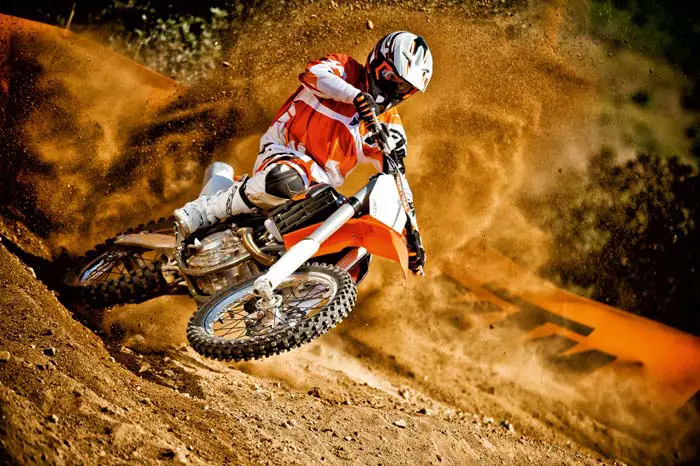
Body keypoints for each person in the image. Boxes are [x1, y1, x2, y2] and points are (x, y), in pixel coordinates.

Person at [174, 31, 432, 273]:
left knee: (355, 242)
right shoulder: (344, 69)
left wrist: (412, 235)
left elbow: (398, 178)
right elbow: (314, 74)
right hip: (283, 152)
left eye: (402, 87)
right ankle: (204, 211)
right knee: (290, 178)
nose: (393, 88)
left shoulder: (389, 125)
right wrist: (355, 96)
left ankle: (295, 300)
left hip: (318, 190)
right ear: (376, 61)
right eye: (390, 76)